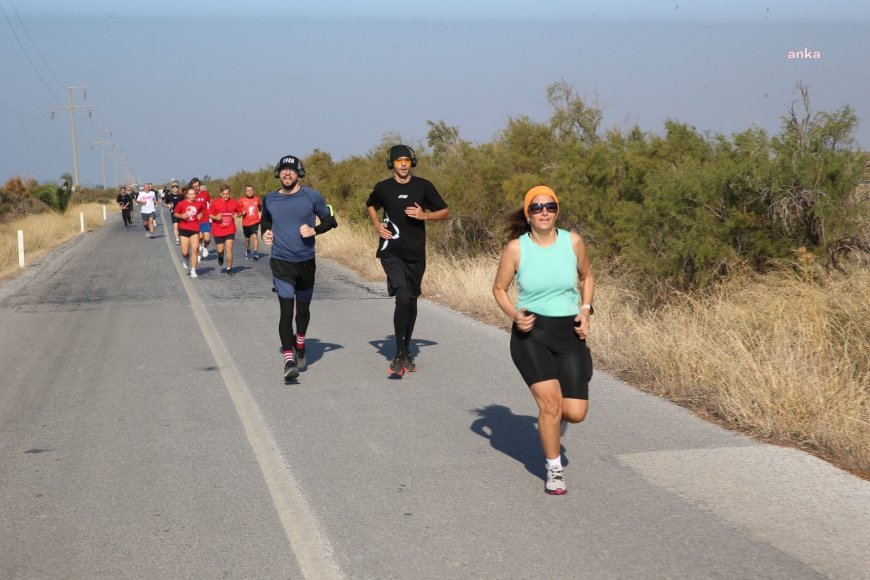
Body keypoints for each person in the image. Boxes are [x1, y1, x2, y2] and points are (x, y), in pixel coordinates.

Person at [492, 185, 595, 495]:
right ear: (528, 214)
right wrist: (514, 314)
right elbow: (499, 289)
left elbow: (587, 276)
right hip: (531, 334)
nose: (543, 212)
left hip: (569, 333)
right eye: (536, 208)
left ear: (557, 210)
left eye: (549, 206)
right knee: (550, 406)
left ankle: (551, 419)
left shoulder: (572, 242)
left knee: (575, 413)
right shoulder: (516, 249)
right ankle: (554, 469)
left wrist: (586, 310)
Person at [365, 144, 449, 376]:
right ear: (391, 163)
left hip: (415, 254)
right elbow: (371, 205)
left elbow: (445, 211)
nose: (403, 163)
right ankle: (400, 352)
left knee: (410, 302)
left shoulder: (423, 186)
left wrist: (425, 215)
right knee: (402, 296)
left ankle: (406, 347)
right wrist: (377, 226)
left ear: (412, 163)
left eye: (407, 160)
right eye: (398, 160)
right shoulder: (383, 187)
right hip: (391, 251)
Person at [261, 154, 337, 381]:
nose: (287, 173)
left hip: (305, 262)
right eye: (283, 170)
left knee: (302, 311)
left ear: (299, 173)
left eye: (291, 170)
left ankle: (300, 342)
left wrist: (315, 230)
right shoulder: (269, 199)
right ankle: (289, 360)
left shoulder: (312, 196)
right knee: (286, 312)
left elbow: (331, 221)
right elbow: (265, 219)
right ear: (278, 173)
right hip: (281, 262)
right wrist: (265, 231)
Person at [173, 185, 206, 277]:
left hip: (195, 228)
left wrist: (200, 215)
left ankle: (193, 270)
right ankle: (185, 258)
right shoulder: (181, 203)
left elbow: (201, 211)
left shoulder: (198, 204)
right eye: (190, 194)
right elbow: (175, 213)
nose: (192, 196)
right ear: (186, 195)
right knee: (185, 252)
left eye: (194, 194)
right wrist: (182, 216)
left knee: (195, 249)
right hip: (184, 228)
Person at [209, 184, 241, 276]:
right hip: (218, 229)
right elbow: (209, 214)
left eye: (227, 193)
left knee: (229, 248)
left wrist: (237, 215)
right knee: (220, 250)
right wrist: (216, 217)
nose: (226, 195)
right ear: (220, 194)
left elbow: (240, 211)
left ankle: (229, 268)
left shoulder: (234, 202)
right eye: (224, 193)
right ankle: (220, 255)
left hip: (230, 229)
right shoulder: (215, 203)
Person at [237, 184, 262, 261]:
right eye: (248, 190)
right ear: (245, 192)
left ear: (253, 190)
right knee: (247, 239)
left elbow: (260, 207)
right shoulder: (241, 200)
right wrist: (241, 213)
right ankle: (248, 250)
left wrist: (260, 214)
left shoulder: (257, 199)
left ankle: (255, 253)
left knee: (255, 236)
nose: (250, 192)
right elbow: (238, 213)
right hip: (246, 223)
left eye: (251, 190)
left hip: (255, 221)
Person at [189, 178, 211, 258]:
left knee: (207, 239)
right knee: (200, 236)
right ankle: (197, 252)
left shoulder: (205, 193)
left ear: (199, 185)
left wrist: (211, 213)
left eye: (197, 186)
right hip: (195, 221)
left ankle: (205, 246)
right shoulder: (190, 195)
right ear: (192, 186)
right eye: (194, 186)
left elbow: (210, 202)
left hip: (205, 219)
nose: (196, 187)